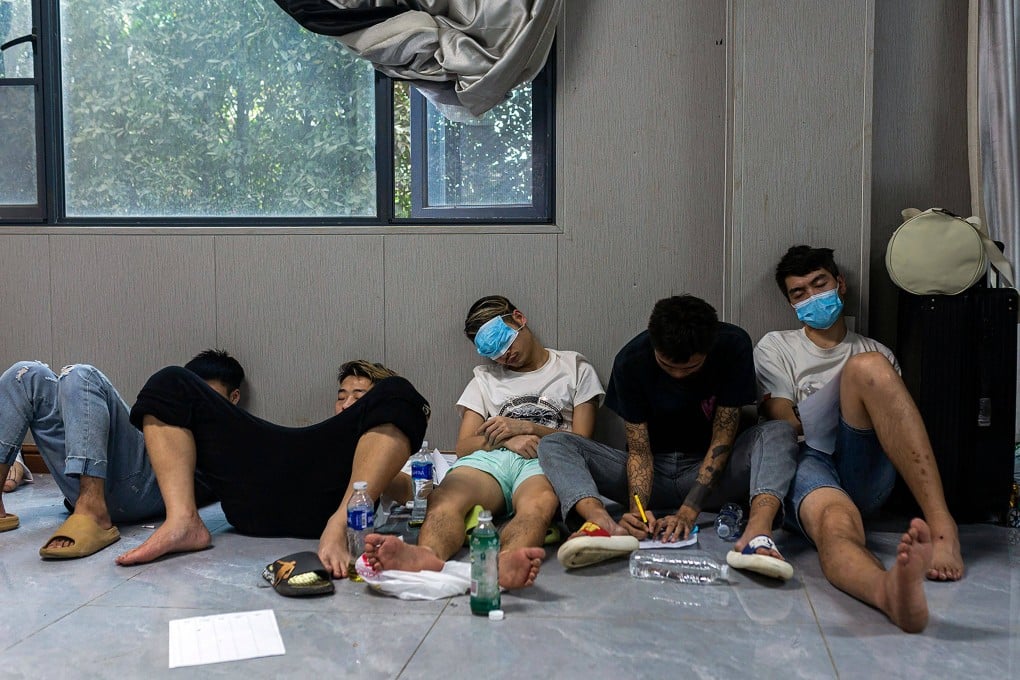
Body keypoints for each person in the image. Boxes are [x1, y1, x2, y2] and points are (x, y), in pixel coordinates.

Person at [755, 245, 964, 633]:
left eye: (819, 284)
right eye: (799, 293)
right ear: (790, 303)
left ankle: (941, 525)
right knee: (836, 523)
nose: (812, 297)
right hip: (809, 460)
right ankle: (886, 591)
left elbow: (896, 430)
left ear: (840, 284)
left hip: (864, 466)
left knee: (867, 368)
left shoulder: (875, 352)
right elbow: (783, 419)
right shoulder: (776, 346)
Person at [538, 295, 798, 580]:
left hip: (713, 475)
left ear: (708, 351)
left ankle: (757, 534)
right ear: (654, 345)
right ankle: (602, 524)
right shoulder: (631, 360)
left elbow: (723, 434)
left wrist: (689, 511)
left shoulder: (733, 345)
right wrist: (639, 509)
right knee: (555, 443)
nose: (677, 375)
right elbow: (639, 451)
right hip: (654, 471)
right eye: (666, 365)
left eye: (689, 368)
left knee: (779, 430)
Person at [364, 295, 605, 589]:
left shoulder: (574, 367)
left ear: (519, 318)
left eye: (506, 343)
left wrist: (527, 428)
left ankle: (507, 560)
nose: (504, 356)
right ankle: (427, 556)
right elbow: (464, 445)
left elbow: (584, 442)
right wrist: (506, 443)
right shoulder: (484, 378)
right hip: (490, 458)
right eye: (494, 352)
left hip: (546, 458)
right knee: (446, 499)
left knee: (538, 505)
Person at [115, 359, 430, 579]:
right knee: (169, 381)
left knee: (400, 391)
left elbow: (410, 491)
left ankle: (340, 524)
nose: (347, 403)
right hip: (253, 501)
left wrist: (386, 479)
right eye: (341, 395)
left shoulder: (378, 447)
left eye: (359, 397)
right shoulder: (323, 439)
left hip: (331, 511)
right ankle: (183, 521)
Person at [0, 350, 245, 556]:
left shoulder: (234, 433)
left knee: (82, 375)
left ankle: (93, 512)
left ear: (233, 397)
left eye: (207, 395)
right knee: (24, 374)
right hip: (91, 483)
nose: (198, 403)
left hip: (147, 489)